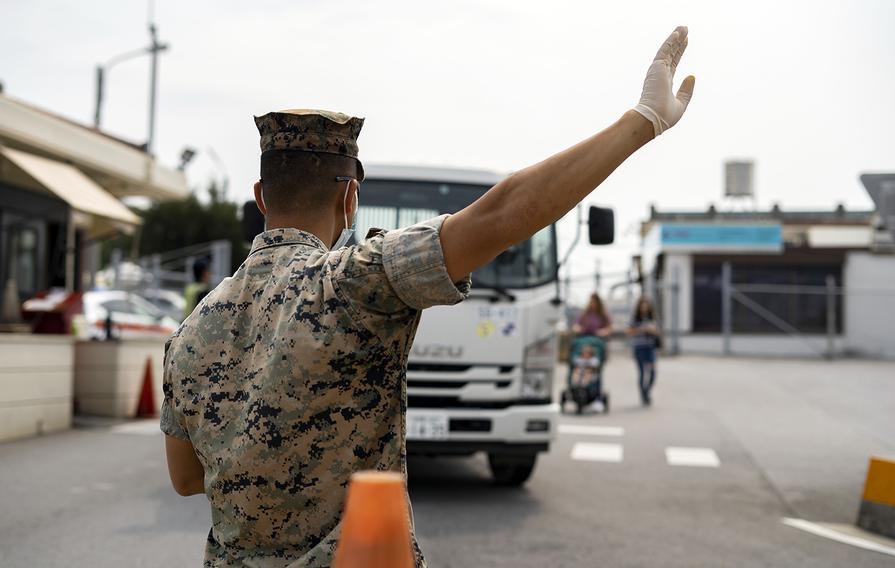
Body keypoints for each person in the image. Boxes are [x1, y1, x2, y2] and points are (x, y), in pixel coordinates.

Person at [160, 26, 695, 568]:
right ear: (350, 199)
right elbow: (503, 213)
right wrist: (641, 123)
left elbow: (185, 479)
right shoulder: (352, 282)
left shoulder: (189, 331)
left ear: (259, 198)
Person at [627, 296, 662, 406]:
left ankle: (647, 391)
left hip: (650, 348)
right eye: (642, 305)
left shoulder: (653, 318)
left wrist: (652, 330)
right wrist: (641, 329)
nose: (644, 308)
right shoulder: (635, 319)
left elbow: (659, 332)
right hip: (639, 348)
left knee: (652, 372)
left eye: (646, 305)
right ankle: (643, 395)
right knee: (642, 373)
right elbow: (629, 331)